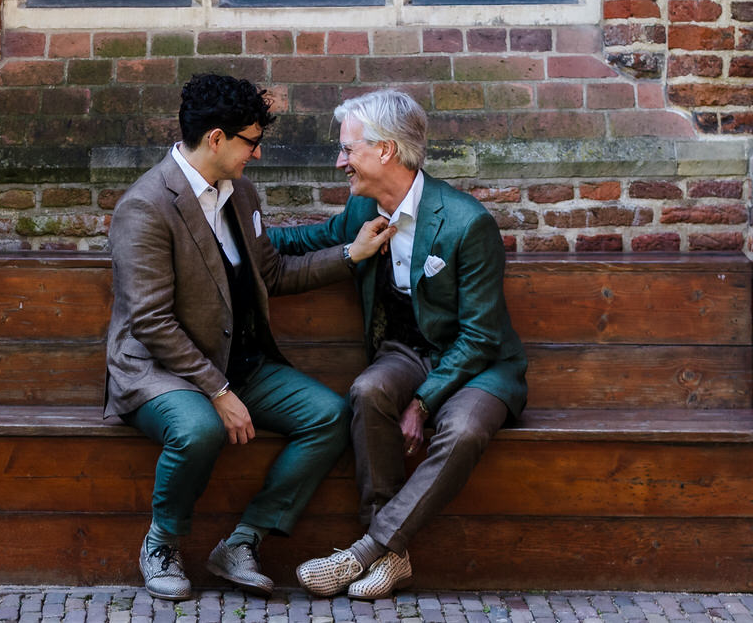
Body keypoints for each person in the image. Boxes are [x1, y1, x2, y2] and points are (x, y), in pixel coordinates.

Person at [104, 73, 393, 600]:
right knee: (198, 430)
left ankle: (242, 541)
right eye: (251, 142)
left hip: (238, 364)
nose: (256, 154)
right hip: (159, 371)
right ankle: (161, 545)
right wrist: (217, 392)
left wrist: (351, 254)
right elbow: (151, 321)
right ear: (216, 138)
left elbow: (274, 275)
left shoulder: (240, 194)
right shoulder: (145, 206)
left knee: (329, 415)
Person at [270, 88, 528, 600]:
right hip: (406, 352)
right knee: (367, 393)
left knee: (463, 429)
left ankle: (367, 551)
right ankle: (394, 559)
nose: (341, 161)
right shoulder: (363, 207)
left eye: (349, 149)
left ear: (385, 150)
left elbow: (480, 336)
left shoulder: (465, 223)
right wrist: (225, 236)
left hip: (481, 365)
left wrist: (424, 402)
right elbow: (308, 240)